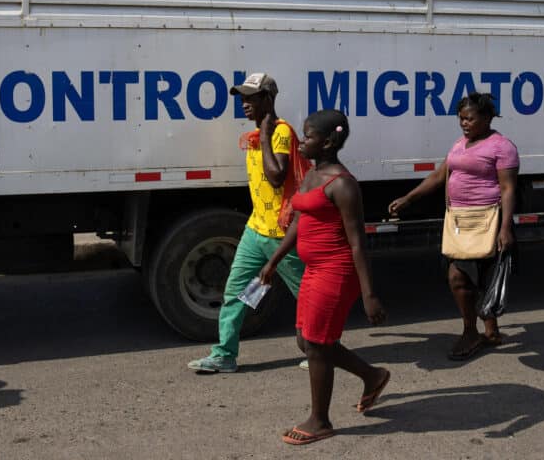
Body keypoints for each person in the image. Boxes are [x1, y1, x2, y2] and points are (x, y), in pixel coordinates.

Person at [260, 109, 389, 446]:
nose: (302, 142)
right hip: (314, 270)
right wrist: (274, 260)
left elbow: (358, 242)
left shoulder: (343, 185)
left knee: (317, 344)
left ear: (329, 141)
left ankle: (320, 420)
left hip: (337, 270)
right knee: (306, 340)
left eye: (309, 136)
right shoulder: (312, 175)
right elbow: (301, 222)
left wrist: (369, 293)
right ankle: (373, 375)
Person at [187, 73, 308, 373]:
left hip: (283, 233)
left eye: (251, 97)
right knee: (236, 291)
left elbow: (277, 176)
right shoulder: (257, 136)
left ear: (268, 98)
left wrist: (266, 137)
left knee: (307, 294)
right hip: (256, 230)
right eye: (242, 98)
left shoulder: (280, 133)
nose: (244, 104)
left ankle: (320, 349)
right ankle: (224, 354)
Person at [388, 92, 519, 361]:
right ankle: (473, 331)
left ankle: (488, 332)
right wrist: (408, 199)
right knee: (458, 277)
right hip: (459, 222)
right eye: (460, 119)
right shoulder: (460, 144)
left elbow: (508, 189)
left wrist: (505, 228)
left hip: (489, 221)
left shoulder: (502, 146)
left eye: (469, 118)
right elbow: (439, 176)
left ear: (486, 118)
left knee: (486, 279)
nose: (464, 123)